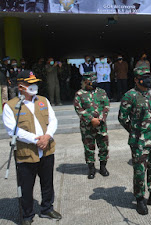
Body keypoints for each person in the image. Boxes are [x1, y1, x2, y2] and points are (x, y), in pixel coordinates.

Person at [2, 70, 62, 225]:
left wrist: (47, 136)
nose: (33, 86)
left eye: (34, 83)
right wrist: (36, 140)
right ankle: (27, 215)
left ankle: (47, 208)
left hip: (47, 149)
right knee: (27, 187)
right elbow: (12, 129)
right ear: (20, 86)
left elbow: (53, 120)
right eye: (29, 83)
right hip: (26, 152)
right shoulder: (11, 106)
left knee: (47, 183)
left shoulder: (43, 100)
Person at [118, 66, 151, 215]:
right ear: (136, 79)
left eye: (149, 76)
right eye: (144, 77)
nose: (148, 80)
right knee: (140, 171)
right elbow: (122, 118)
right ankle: (140, 199)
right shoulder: (130, 96)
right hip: (139, 141)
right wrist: (135, 131)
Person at [73, 72, 110, 179]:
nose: (93, 83)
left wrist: (101, 119)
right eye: (90, 81)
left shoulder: (102, 92)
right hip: (87, 127)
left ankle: (103, 167)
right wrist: (91, 119)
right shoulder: (79, 94)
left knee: (103, 147)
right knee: (89, 148)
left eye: (94, 81)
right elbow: (78, 109)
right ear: (85, 82)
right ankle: (91, 168)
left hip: (101, 125)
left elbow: (106, 106)